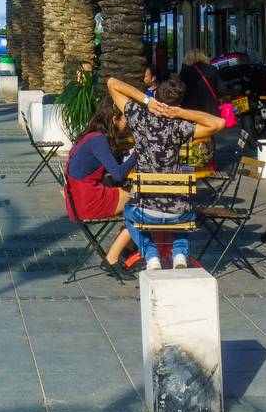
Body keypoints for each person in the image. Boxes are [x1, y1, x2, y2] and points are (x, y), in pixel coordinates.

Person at [107, 74, 225, 270]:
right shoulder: (181, 126)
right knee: (185, 208)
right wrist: (181, 113)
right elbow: (219, 123)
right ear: (179, 102)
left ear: (157, 94)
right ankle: (179, 253)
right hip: (177, 213)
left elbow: (112, 83)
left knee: (129, 214)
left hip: (144, 211)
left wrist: (147, 101)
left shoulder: (138, 117)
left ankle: (151, 255)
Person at [63, 95, 136, 267]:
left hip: (80, 198)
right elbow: (118, 174)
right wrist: (138, 155)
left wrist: (128, 156)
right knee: (145, 202)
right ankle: (114, 256)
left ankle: (127, 245)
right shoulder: (99, 140)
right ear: (114, 118)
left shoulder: (93, 137)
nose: (128, 123)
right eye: (126, 118)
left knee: (137, 198)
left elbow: (111, 164)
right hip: (89, 200)